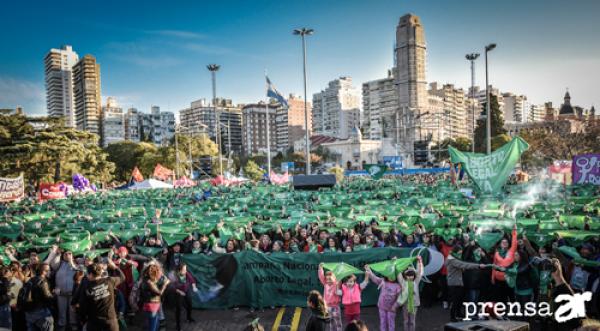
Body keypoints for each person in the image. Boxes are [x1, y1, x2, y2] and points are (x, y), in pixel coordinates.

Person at [78, 253, 125, 331]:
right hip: (110, 321)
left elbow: (82, 307)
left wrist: (83, 320)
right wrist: (115, 267)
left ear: (90, 274)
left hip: (94, 322)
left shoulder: (87, 287)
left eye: (87, 274)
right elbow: (122, 277)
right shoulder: (109, 281)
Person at [445, 246, 490, 321]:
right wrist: (478, 265)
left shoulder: (454, 258)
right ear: (455, 252)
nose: (460, 254)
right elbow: (465, 265)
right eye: (459, 253)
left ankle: (458, 313)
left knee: (459, 300)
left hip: (458, 283)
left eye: (461, 253)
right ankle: (452, 317)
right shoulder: (452, 260)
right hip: (454, 283)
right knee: (455, 301)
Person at [48, 248, 80, 331]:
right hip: (61, 293)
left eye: (69, 253)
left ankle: (74, 326)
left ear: (72, 255)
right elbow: (53, 265)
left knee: (72, 312)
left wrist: (71, 261)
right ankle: (62, 326)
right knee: (61, 311)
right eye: (65, 254)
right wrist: (58, 254)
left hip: (73, 293)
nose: (67, 255)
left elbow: (78, 271)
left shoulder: (76, 264)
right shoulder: (60, 264)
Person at [364, 263, 401, 331]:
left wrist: (395, 306)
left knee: (391, 323)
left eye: (393, 275)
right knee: (383, 322)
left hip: (391, 308)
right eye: (389, 275)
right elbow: (374, 278)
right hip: (382, 307)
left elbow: (399, 297)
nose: (391, 277)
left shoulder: (397, 286)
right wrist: (368, 270)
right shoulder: (383, 281)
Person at [22, 262, 54, 331]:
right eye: (49, 270)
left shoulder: (30, 280)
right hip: (40, 311)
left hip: (29, 312)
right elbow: (48, 297)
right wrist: (54, 295)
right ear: (44, 271)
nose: (50, 272)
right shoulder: (42, 281)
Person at [491, 224, 518, 302]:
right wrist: (492, 277)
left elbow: (514, 242)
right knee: (501, 297)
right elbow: (494, 265)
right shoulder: (497, 253)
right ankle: (502, 311)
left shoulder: (511, 251)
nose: (504, 243)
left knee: (511, 296)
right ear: (500, 244)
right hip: (498, 279)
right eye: (503, 242)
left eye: (506, 242)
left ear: (508, 244)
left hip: (508, 278)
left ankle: (514, 312)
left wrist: (514, 231)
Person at [396, 256, 424, 331]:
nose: (410, 277)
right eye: (408, 275)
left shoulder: (416, 282)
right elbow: (398, 273)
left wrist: (420, 262)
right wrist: (396, 262)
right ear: (405, 276)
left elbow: (420, 273)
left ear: (414, 275)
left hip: (414, 305)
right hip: (405, 304)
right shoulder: (403, 282)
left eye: (411, 275)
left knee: (412, 321)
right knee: (406, 321)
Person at [141, 263, 170, 331]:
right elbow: (159, 293)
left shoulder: (147, 279)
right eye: (159, 272)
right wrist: (165, 284)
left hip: (151, 305)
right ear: (154, 273)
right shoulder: (149, 282)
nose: (160, 274)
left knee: (151, 324)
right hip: (152, 306)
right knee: (152, 327)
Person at [168, 263, 197, 331]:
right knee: (179, 308)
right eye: (184, 270)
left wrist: (194, 287)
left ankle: (189, 318)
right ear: (179, 271)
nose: (185, 271)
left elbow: (192, 280)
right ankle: (178, 325)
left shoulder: (186, 273)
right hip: (178, 292)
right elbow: (172, 287)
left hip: (186, 290)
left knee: (189, 304)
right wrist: (180, 292)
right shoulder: (174, 276)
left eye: (186, 269)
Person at [318, 263, 342, 331]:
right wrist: (320, 268)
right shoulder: (325, 284)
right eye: (327, 279)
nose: (328, 281)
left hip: (336, 306)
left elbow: (339, 277)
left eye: (330, 279)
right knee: (331, 322)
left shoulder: (336, 284)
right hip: (328, 307)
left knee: (338, 323)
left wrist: (339, 269)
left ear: (334, 279)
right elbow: (321, 277)